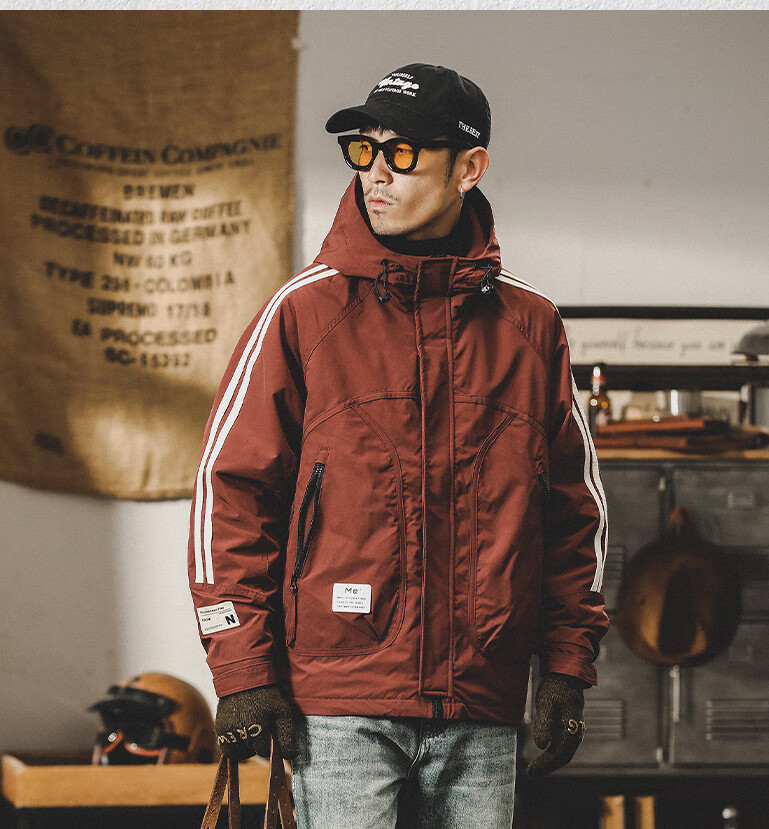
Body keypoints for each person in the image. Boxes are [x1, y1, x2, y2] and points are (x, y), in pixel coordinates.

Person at [188, 63, 609, 829]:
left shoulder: (531, 328)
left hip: (482, 698)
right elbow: (230, 493)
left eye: (403, 153)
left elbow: (575, 513)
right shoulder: (302, 314)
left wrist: (567, 667)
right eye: (365, 149)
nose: (376, 172)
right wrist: (242, 668)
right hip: (338, 704)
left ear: (469, 168)